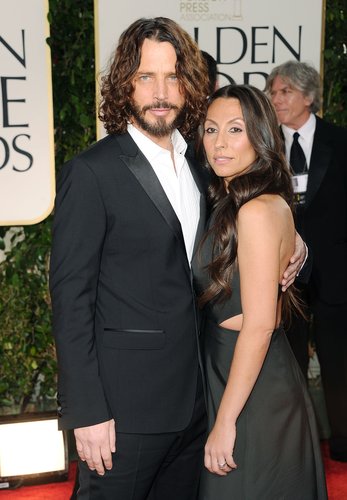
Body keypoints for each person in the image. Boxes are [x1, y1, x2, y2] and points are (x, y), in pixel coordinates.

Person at [49, 17, 307, 499]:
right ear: (125, 85)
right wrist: (86, 412)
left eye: (172, 77)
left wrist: (298, 246)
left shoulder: (203, 164)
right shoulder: (91, 173)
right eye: (146, 76)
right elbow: (70, 301)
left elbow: (254, 220)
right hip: (124, 415)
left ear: (189, 87)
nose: (160, 91)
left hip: (197, 405)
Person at [192, 84, 327, 499]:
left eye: (235, 130)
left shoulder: (254, 209)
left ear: (261, 134)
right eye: (211, 130)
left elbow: (261, 324)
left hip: (253, 382)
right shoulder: (234, 201)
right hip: (232, 369)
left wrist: (226, 420)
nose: (219, 143)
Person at [266, 60, 347, 462]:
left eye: (285, 92)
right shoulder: (264, 144)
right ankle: (296, 448)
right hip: (283, 273)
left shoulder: (340, 141)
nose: (276, 98)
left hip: (336, 273)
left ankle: (344, 442)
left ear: (309, 97)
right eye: (273, 92)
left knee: (339, 360)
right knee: (288, 361)